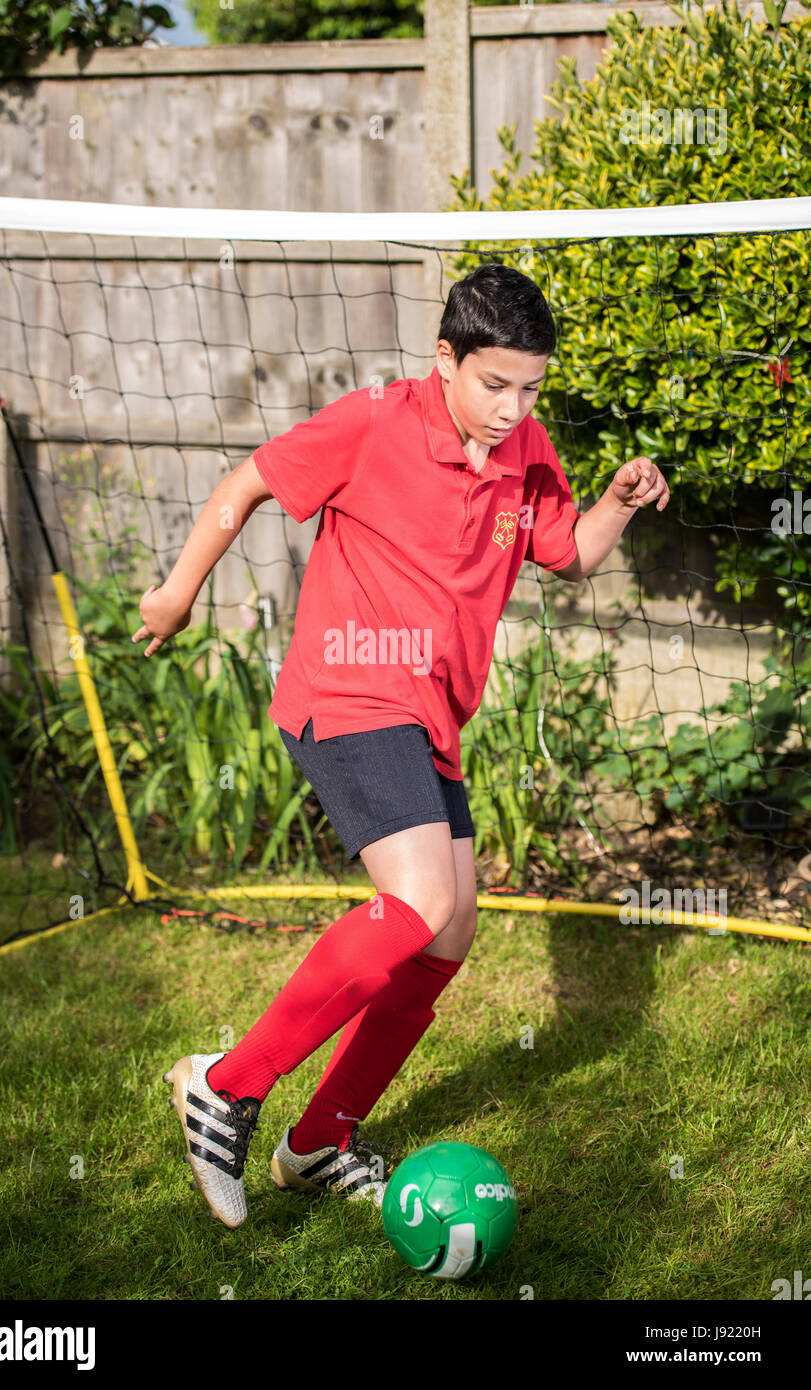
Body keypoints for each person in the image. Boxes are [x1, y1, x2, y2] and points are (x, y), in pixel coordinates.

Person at [132, 263, 670, 1230]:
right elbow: (249, 479)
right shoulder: (374, 422)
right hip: (346, 690)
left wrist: (621, 498)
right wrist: (177, 591)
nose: (512, 407)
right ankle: (228, 1084)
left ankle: (319, 1141)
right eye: (493, 384)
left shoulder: (524, 448)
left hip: (429, 716)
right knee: (419, 902)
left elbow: (570, 555)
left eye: (531, 388)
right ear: (445, 360)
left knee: (451, 930)